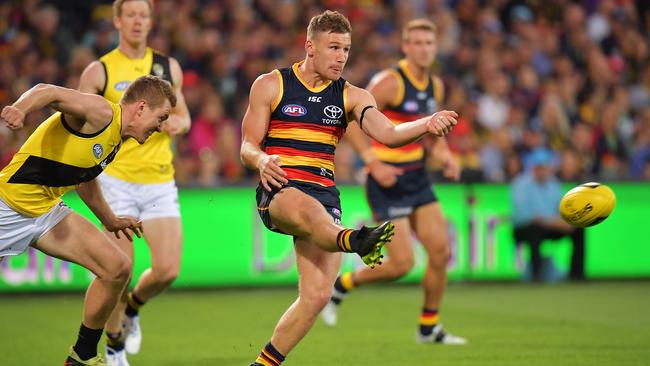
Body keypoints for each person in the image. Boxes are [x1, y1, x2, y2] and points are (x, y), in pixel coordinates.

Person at [240, 11, 458, 366]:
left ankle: (262, 365)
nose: (342, 56)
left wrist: (427, 124)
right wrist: (262, 160)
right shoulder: (271, 84)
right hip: (279, 186)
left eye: (346, 49)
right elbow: (247, 145)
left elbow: (387, 133)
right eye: (334, 48)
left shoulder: (352, 96)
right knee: (308, 209)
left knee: (316, 295)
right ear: (310, 47)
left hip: (325, 195)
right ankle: (355, 240)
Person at [0, 75, 176, 366]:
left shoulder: (115, 139)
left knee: (117, 268)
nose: (161, 128)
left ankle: (81, 357)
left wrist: (110, 220)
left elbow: (86, 179)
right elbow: (47, 91)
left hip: (45, 211)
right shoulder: (102, 112)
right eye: (161, 118)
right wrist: (20, 108)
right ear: (141, 107)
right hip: (7, 207)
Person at [320, 18, 467, 345]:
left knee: (441, 253)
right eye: (416, 42)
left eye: (429, 43)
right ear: (405, 47)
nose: (424, 49)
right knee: (402, 264)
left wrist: (445, 156)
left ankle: (428, 328)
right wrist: (372, 163)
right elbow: (354, 119)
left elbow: (432, 132)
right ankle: (343, 284)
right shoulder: (389, 82)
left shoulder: (436, 86)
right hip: (386, 179)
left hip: (417, 176)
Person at [78, 1, 190, 364]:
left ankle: (133, 309)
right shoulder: (100, 71)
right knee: (118, 272)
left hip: (159, 180)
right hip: (116, 181)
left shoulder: (166, 66)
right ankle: (114, 345)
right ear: (117, 20)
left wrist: (179, 124)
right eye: (131, 15)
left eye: (144, 15)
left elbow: (184, 116)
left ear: (151, 21)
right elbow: (82, 127)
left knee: (168, 270)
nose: (139, 21)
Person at [511, 147, 585, 281]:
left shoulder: (554, 185)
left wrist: (566, 222)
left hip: (549, 226)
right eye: (539, 167)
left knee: (578, 228)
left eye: (545, 167)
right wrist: (554, 222)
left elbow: (562, 210)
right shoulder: (521, 184)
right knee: (535, 230)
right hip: (524, 228)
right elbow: (526, 216)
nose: (542, 170)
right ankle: (535, 276)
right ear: (533, 167)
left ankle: (576, 275)